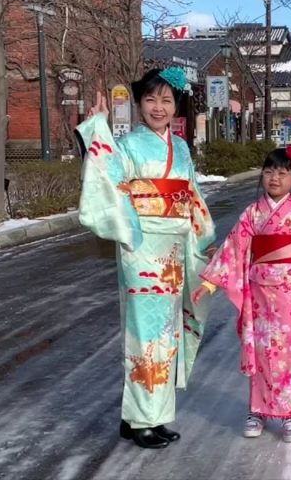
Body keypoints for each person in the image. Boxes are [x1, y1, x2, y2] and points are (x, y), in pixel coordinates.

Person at [75, 67, 216, 449]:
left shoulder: (182, 147)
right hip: (142, 246)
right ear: (138, 104)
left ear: (176, 105)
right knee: (144, 333)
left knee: (165, 334)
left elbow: (193, 195)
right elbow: (110, 177)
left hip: (173, 247)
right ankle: (142, 420)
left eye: (166, 100)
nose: (158, 107)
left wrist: (203, 238)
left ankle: (143, 416)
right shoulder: (131, 145)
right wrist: (97, 129)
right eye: (150, 99)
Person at [200, 146, 291, 443]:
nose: (274, 178)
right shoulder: (252, 214)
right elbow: (234, 249)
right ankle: (257, 410)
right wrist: (211, 283)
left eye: (282, 172)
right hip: (260, 295)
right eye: (269, 172)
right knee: (263, 353)